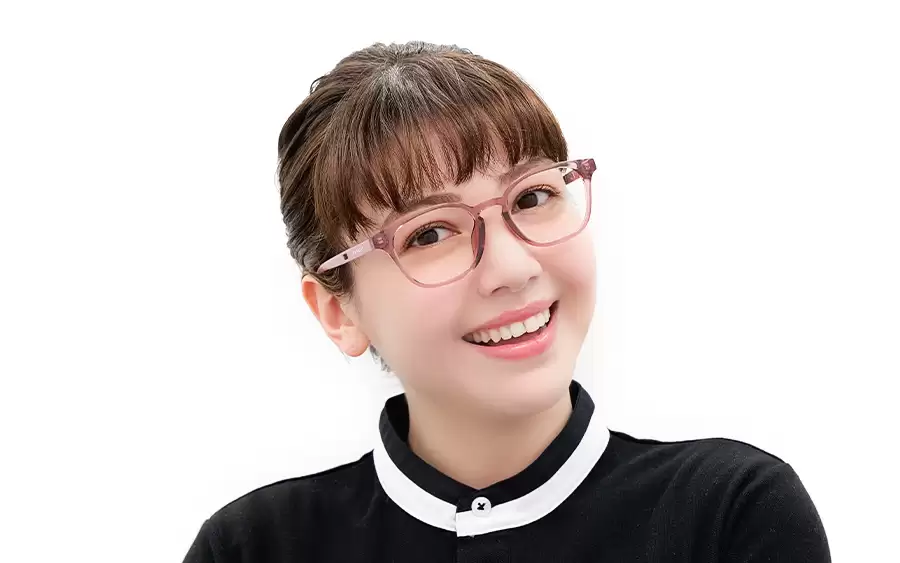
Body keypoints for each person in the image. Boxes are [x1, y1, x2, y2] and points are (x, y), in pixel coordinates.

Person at [182, 41, 830, 562]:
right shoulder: (253, 547)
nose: (514, 268)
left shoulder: (727, 512)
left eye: (532, 196)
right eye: (429, 234)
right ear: (337, 310)